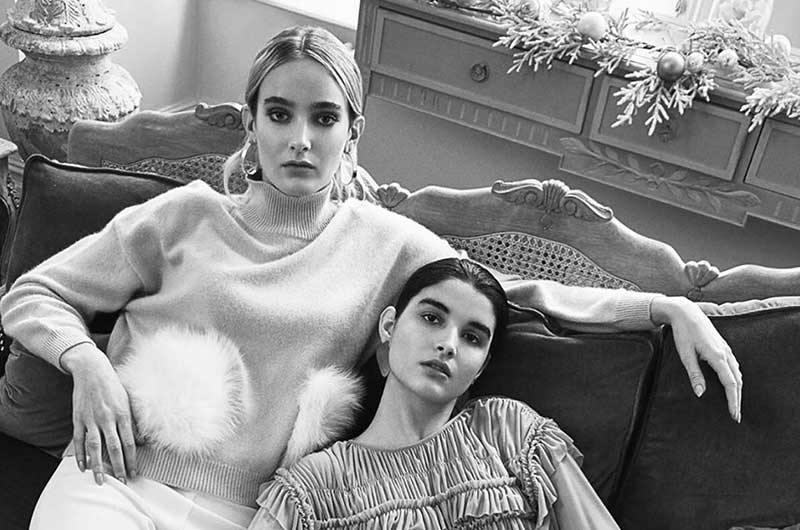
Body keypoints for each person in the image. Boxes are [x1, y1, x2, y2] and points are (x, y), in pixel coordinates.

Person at [0, 25, 740, 530]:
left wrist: (663, 306)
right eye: (280, 114)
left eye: (324, 119)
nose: (300, 138)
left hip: (247, 515)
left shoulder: (382, 243)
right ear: (252, 126)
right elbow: (33, 294)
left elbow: (515, 292)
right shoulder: (185, 217)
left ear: (351, 136)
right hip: (112, 486)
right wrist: (87, 363)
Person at [251, 257, 620, 530]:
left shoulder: (512, 433)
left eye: (472, 338)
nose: (448, 345)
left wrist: (667, 309)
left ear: (482, 367)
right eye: (432, 318)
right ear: (390, 326)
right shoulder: (309, 492)